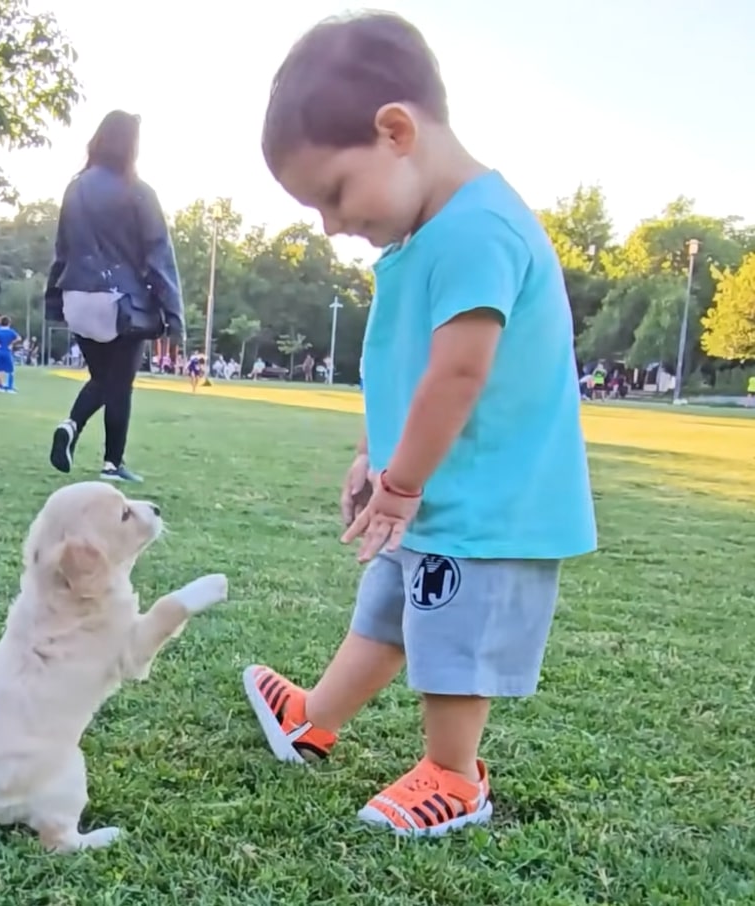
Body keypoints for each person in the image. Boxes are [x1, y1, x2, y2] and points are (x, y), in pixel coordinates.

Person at [239, 12, 597, 838]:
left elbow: (460, 371)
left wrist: (402, 481)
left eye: (332, 194)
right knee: (390, 609)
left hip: (484, 503)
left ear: (395, 130)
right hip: (435, 490)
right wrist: (377, 454)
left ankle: (454, 774)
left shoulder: (479, 229)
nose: (330, 224)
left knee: (452, 637)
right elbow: (403, 368)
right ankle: (314, 717)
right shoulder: (423, 237)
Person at [44, 110, 184, 482]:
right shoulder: (137, 191)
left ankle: (71, 429)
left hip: (77, 296)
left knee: (102, 378)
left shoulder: (75, 188)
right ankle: (110, 461)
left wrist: (53, 301)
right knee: (118, 383)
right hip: (121, 304)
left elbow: (62, 250)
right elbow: (159, 255)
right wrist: (174, 315)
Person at [0, 316, 21, 393]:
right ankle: (10, 387)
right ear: (9, 323)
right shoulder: (11, 332)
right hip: (7, 352)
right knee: (10, 371)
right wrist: (11, 343)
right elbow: (19, 338)